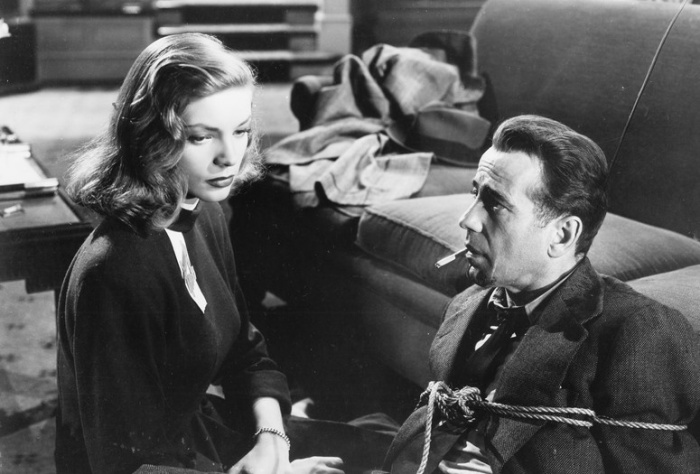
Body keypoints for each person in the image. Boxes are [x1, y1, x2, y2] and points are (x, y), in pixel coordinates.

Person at [55, 33, 344, 474]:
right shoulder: (113, 271)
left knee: (391, 444)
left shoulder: (206, 211)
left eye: (240, 131)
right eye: (201, 137)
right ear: (151, 138)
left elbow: (245, 349)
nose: (230, 156)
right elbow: (125, 464)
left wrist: (273, 438)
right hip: (155, 465)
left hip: (199, 436)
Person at [382, 115, 700, 473]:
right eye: (475, 194)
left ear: (562, 235)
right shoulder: (469, 303)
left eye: (495, 204)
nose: (467, 220)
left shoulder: (637, 331)